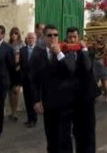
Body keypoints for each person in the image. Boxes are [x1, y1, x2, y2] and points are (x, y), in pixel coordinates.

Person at [32, 24, 76, 153]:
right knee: (51, 137)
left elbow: (70, 71)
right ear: (44, 37)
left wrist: (59, 54)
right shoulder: (38, 54)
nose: (53, 38)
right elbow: (34, 80)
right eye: (49, 35)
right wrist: (36, 100)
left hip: (65, 103)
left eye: (55, 35)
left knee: (65, 137)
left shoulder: (67, 52)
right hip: (48, 103)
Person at [66, 27, 97, 153]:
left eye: (75, 37)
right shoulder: (64, 51)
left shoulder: (87, 51)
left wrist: (84, 49)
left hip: (86, 96)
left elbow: (88, 67)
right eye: (70, 37)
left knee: (88, 128)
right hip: (71, 97)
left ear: (79, 37)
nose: (73, 39)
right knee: (76, 129)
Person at [19, 32, 40, 128]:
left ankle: (34, 119)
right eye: (29, 38)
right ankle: (29, 118)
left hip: (35, 80)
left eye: (32, 38)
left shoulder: (40, 50)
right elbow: (21, 65)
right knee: (27, 100)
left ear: (35, 39)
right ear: (27, 39)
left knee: (33, 100)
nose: (31, 39)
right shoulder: (22, 50)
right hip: (25, 80)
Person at [8, 27, 24, 123]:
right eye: (12, 33)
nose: (14, 35)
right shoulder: (8, 44)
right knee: (10, 91)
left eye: (16, 33)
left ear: (18, 35)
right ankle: (12, 111)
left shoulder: (22, 44)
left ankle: (15, 112)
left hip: (18, 70)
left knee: (16, 91)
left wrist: (20, 65)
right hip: (10, 70)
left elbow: (23, 57)